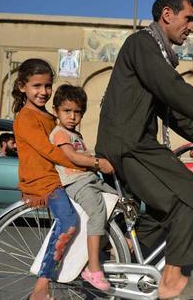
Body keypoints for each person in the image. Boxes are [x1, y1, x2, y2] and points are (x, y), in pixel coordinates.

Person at [95, 0, 193, 299]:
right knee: (191, 194)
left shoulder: (156, 53)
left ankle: (118, 250)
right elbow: (170, 87)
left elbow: (166, 104)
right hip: (129, 144)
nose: (191, 26)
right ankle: (172, 280)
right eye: (188, 18)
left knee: (167, 210)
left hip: (133, 142)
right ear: (167, 14)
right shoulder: (142, 44)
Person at [11, 58, 88, 300]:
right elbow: (51, 152)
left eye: (47, 86)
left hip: (58, 177)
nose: (44, 92)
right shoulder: (25, 118)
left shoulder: (47, 117)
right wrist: (89, 163)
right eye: (37, 86)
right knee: (69, 222)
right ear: (23, 86)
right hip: (43, 182)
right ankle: (41, 286)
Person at [49, 84, 116, 291]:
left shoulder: (76, 134)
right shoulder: (60, 133)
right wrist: (97, 163)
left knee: (118, 201)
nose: (72, 116)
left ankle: (111, 246)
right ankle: (93, 267)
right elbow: (71, 156)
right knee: (97, 211)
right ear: (56, 111)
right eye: (67, 111)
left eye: (77, 112)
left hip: (89, 179)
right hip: (75, 183)